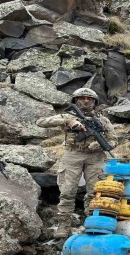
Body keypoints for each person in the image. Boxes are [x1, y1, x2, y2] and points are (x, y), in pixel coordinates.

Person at [36, 88, 117, 239]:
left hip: (95, 157)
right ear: (75, 101)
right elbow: (41, 122)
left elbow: (113, 140)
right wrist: (68, 121)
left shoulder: (103, 120)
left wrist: (99, 145)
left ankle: (92, 221)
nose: (85, 101)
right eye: (82, 98)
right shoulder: (68, 116)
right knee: (67, 191)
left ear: (94, 102)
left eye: (89, 99)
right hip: (73, 155)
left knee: (96, 192)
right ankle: (64, 225)